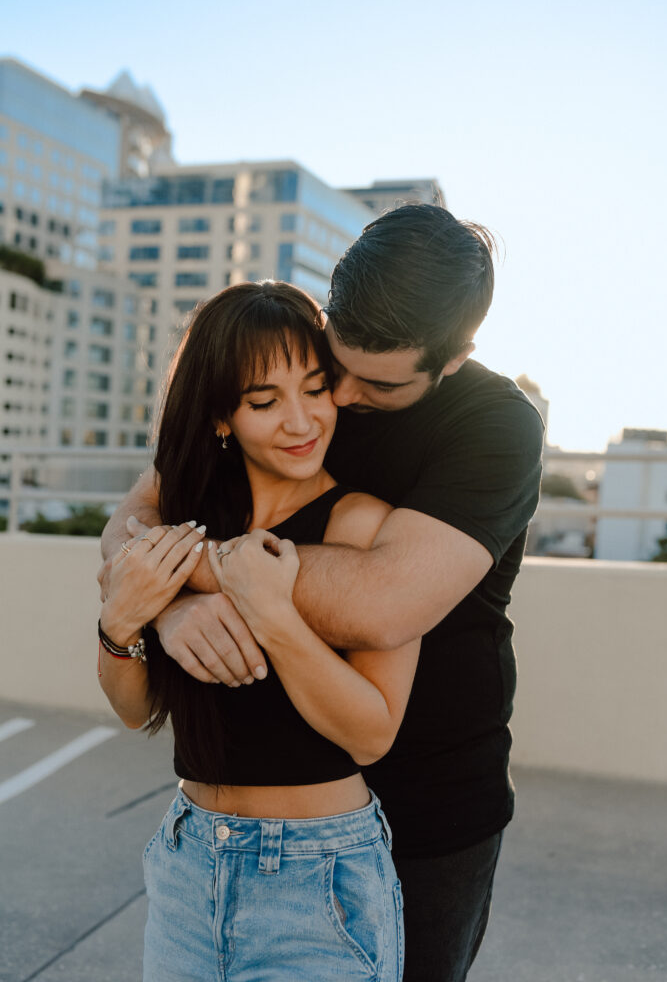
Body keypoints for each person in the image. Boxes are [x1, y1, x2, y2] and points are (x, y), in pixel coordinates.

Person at [101, 203, 545, 982]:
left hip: (432, 798)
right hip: (226, 825)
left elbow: (382, 602)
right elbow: (135, 520)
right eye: (329, 362)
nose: (332, 398)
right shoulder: (299, 377)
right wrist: (164, 606)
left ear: (452, 358)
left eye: (368, 381)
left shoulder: (493, 425)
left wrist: (191, 574)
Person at [98, 281, 419, 981]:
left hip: (318, 879)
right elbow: (133, 709)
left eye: (315, 389)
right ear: (222, 415)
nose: (302, 421)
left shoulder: (357, 523)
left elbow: (372, 732)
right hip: (188, 863)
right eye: (265, 402)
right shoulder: (185, 520)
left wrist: (273, 613)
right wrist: (130, 619)